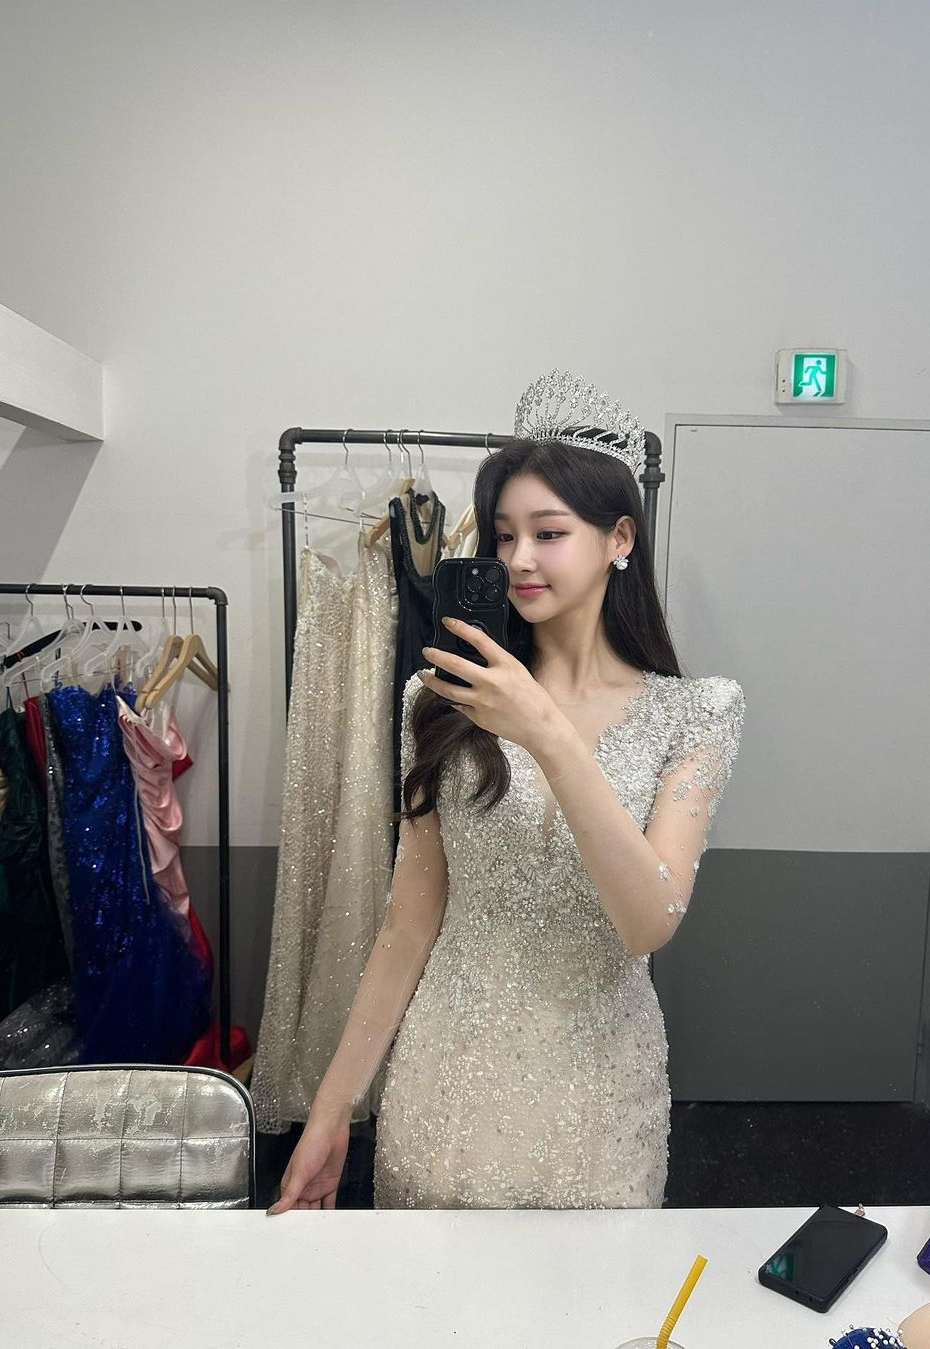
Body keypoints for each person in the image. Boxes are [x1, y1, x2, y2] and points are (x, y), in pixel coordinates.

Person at [268, 370, 745, 1212]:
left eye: (548, 532)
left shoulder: (695, 714)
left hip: (601, 1094)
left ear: (620, 537)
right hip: (446, 1081)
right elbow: (407, 924)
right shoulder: (437, 702)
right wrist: (332, 1108)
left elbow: (648, 921)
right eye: (503, 535)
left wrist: (548, 734)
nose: (518, 558)